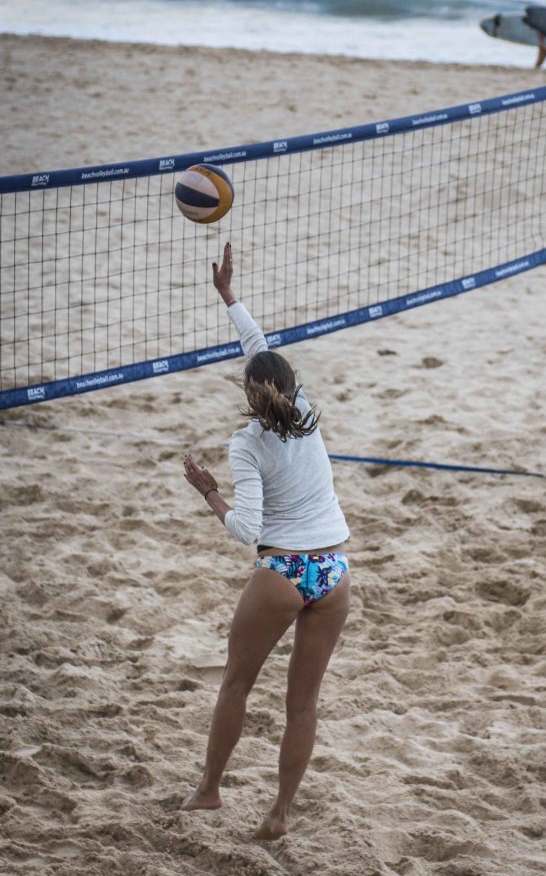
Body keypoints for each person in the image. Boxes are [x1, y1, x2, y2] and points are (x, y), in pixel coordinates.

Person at [181, 242, 351, 840]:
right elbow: (260, 349)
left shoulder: (246, 444)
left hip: (282, 574)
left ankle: (209, 791)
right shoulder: (306, 409)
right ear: (289, 385)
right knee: (302, 705)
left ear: (251, 393)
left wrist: (208, 492)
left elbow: (247, 530)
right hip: (334, 573)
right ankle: (279, 814)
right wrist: (230, 297)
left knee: (236, 684)